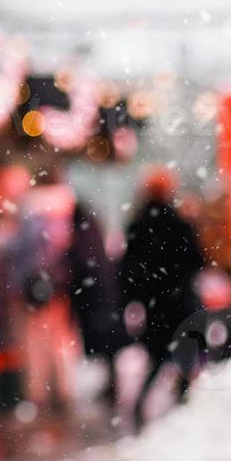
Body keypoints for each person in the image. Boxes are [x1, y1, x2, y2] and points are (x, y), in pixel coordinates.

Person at [119, 167, 205, 427]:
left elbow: (128, 270)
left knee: (156, 358)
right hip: (179, 302)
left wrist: (135, 299)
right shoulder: (179, 223)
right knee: (184, 355)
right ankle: (182, 404)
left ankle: (140, 406)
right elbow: (196, 261)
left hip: (155, 305)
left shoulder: (137, 225)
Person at [2, 170, 80, 414]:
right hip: (58, 285)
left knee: (34, 341)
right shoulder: (66, 213)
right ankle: (63, 388)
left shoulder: (32, 214)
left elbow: (21, 249)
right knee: (58, 340)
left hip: (33, 287)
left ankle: (36, 393)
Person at [68, 199, 125, 410]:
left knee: (106, 345)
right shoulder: (93, 231)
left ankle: (113, 386)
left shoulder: (82, 235)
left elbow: (83, 263)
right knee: (108, 346)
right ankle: (112, 385)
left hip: (96, 301)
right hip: (104, 299)